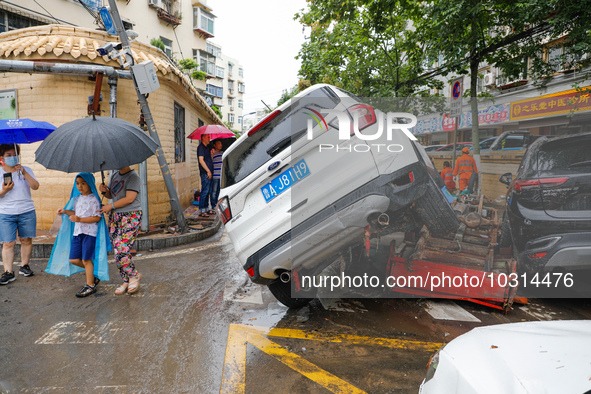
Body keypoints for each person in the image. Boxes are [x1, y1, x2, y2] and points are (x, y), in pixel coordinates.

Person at [45, 173, 111, 297]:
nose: (79, 186)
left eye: (83, 183)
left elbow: (97, 217)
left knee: (86, 259)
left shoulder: (94, 199)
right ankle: (92, 275)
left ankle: (90, 285)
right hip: (78, 233)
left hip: (89, 234)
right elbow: (75, 212)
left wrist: (79, 219)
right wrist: (65, 211)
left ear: (90, 184)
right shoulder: (77, 198)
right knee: (74, 259)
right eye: (77, 183)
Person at [99, 166, 143, 295]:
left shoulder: (133, 176)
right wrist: (104, 191)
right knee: (118, 250)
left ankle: (134, 275)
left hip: (131, 215)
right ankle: (126, 279)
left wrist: (110, 206)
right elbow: (112, 195)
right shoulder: (114, 175)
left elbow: (130, 198)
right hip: (116, 216)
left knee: (122, 247)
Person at [0, 144, 39, 286]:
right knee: (8, 243)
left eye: (14, 154)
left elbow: (35, 186)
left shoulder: (26, 170)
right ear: (2, 158)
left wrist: (24, 173)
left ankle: (24, 265)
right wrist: (4, 190)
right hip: (6, 213)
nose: (12, 157)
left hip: (27, 211)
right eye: (8, 155)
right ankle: (8, 272)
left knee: (26, 240)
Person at [197, 133, 214, 218]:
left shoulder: (207, 148)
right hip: (205, 173)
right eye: (208, 137)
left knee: (208, 191)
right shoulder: (200, 148)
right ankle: (201, 210)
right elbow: (201, 160)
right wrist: (208, 171)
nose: (209, 139)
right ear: (203, 138)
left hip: (209, 172)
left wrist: (211, 154)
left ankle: (206, 208)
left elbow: (208, 159)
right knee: (204, 191)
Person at [210, 139, 223, 210]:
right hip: (215, 176)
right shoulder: (213, 153)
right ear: (214, 145)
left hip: (221, 176)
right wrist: (211, 154)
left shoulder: (222, 153)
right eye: (218, 143)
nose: (220, 145)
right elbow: (210, 161)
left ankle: (218, 204)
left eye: (221, 143)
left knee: (219, 191)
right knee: (214, 191)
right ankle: (213, 205)